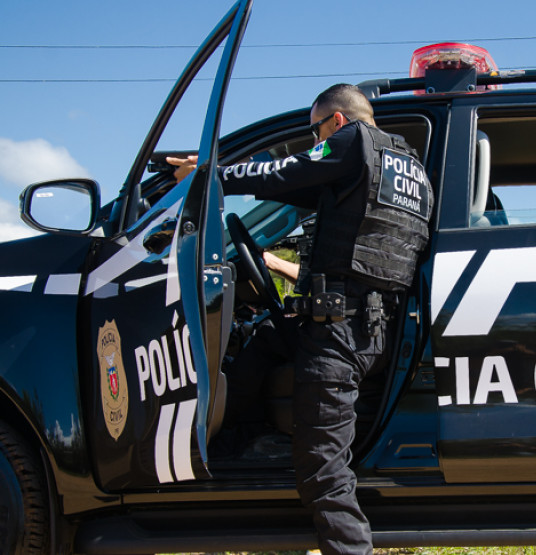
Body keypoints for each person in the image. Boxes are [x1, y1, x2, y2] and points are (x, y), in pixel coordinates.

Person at [169, 83, 433, 555]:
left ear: (337, 121)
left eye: (315, 133)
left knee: (322, 470)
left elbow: (280, 172)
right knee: (268, 338)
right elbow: (308, 194)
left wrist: (210, 175)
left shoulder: (354, 141)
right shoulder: (407, 168)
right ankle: (240, 440)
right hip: (373, 328)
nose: (315, 144)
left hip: (340, 333)